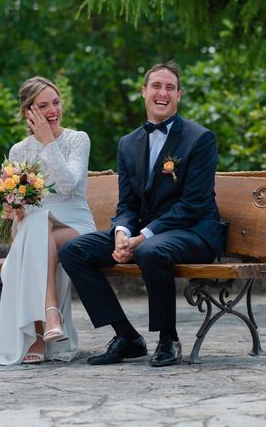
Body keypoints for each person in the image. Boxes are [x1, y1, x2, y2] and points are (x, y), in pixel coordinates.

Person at [59, 61, 227, 367]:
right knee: (73, 250)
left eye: (170, 88)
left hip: (195, 231)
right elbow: (127, 204)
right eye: (156, 86)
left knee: (150, 250)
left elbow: (194, 204)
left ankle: (168, 339)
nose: (163, 93)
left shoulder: (200, 139)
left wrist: (142, 236)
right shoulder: (128, 143)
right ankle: (127, 337)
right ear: (144, 92)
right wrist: (123, 232)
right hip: (144, 234)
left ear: (179, 95)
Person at [0, 76, 96, 365]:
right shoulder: (18, 151)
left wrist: (49, 143)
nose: (53, 110)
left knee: (37, 229)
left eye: (56, 102)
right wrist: (15, 210)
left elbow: (67, 184)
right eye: (43, 105)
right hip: (38, 229)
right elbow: (22, 205)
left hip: (76, 226)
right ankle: (50, 315)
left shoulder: (77, 139)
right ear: (28, 111)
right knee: (37, 224)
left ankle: (39, 331)